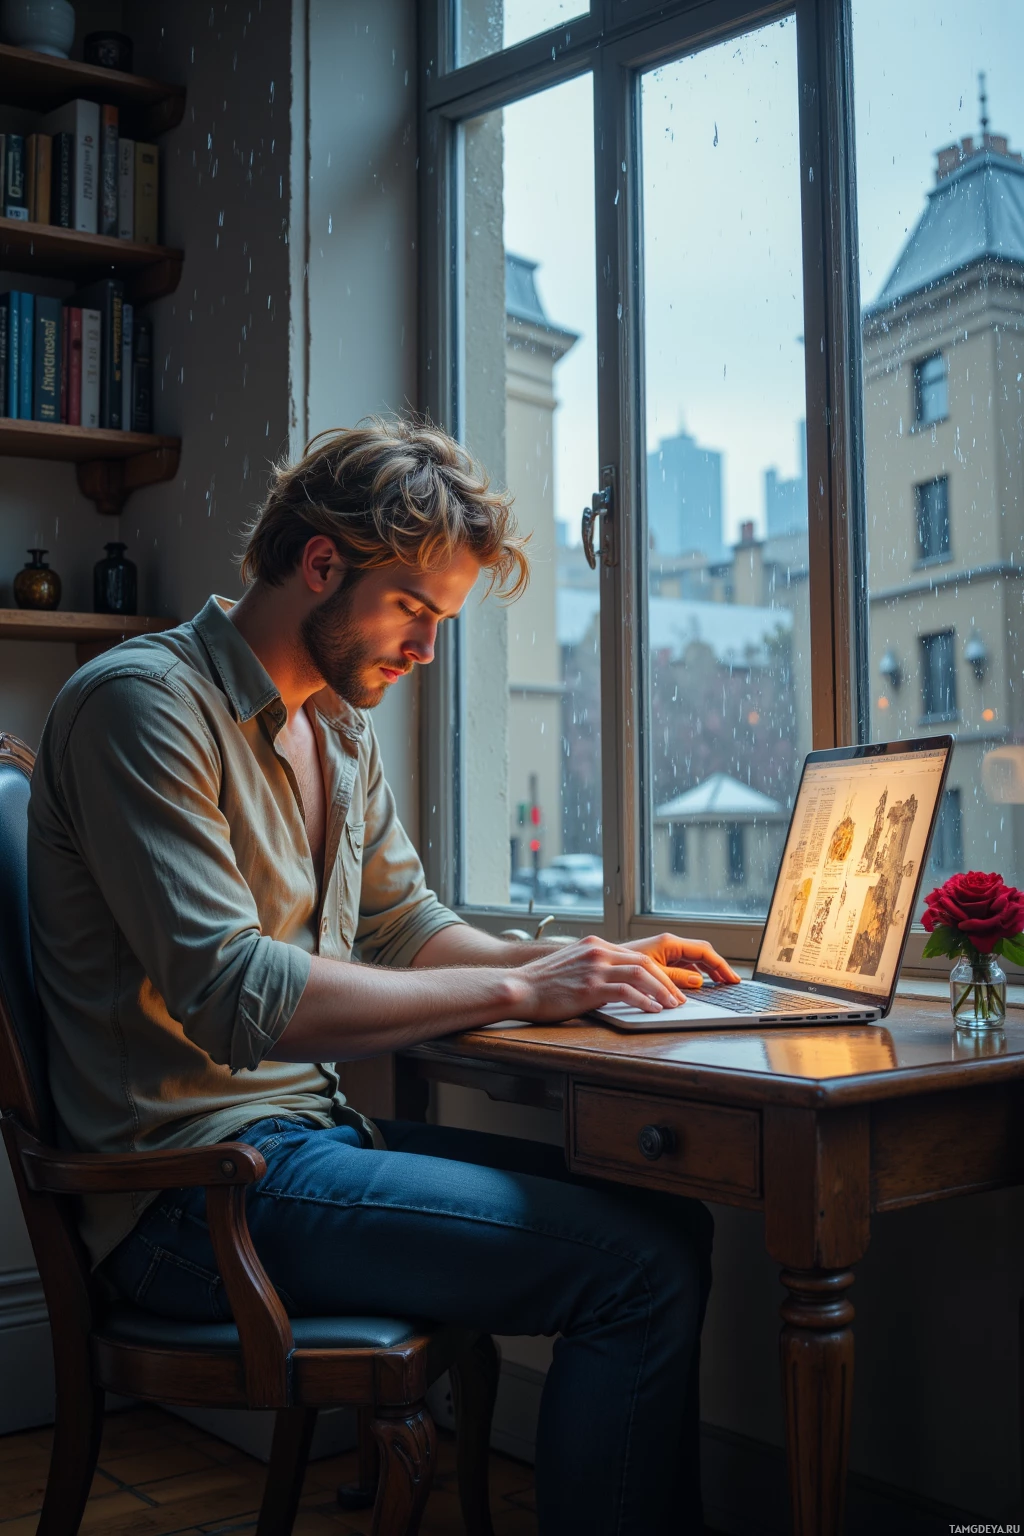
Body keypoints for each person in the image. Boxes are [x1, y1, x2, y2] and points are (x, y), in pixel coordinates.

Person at [28, 416, 740, 1535]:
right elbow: (236, 995)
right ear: (319, 562)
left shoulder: (334, 730)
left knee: (674, 1229)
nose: (425, 651)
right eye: (414, 609)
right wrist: (517, 992)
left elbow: (404, 922)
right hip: (183, 1199)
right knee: (634, 1273)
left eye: (440, 621)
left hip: (297, 1148)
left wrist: (571, 966)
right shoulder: (142, 705)